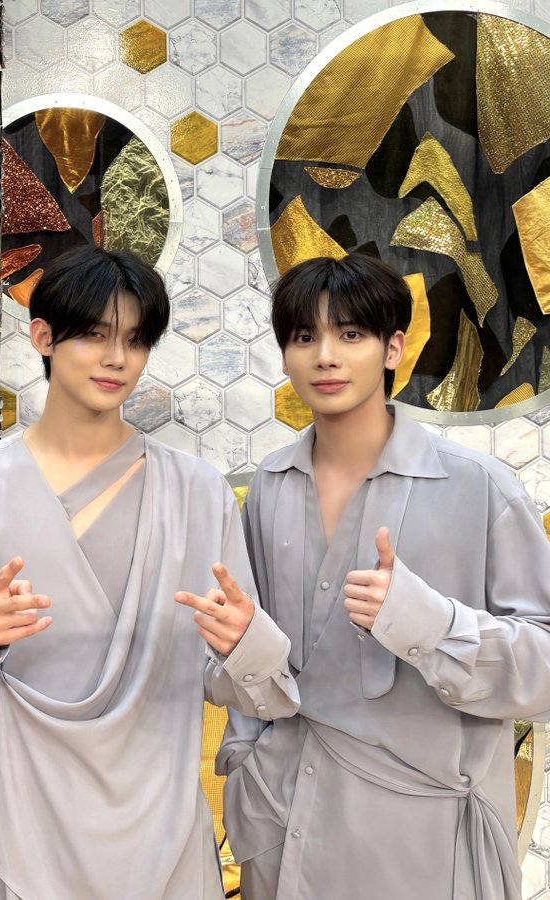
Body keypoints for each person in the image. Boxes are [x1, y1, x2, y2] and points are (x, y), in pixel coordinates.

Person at [0, 245, 300, 899]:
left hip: (162, 833)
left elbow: (253, 694)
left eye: (135, 340)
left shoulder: (197, 493)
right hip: (18, 828)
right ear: (42, 336)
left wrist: (247, 644)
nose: (117, 358)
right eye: (94, 334)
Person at [220, 253, 550, 900]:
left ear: (394, 347)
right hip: (284, 830)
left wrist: (433, 625)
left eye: (351, 334)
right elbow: (258, 658)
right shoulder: (269, 488)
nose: (326, 357)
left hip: (424, 848)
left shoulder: (477, 487)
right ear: (284, 355)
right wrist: (245, 766)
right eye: (304, 337)